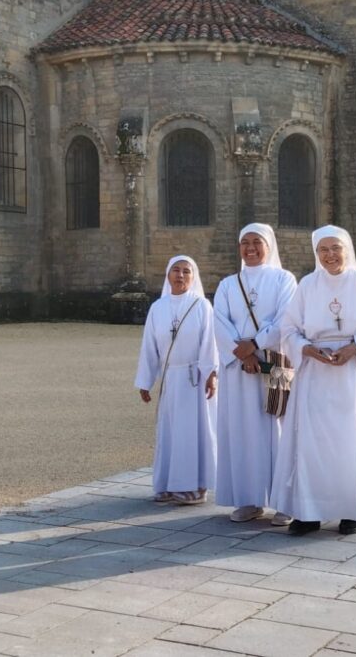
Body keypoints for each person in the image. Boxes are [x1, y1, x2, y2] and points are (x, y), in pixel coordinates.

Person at [269, 225, 356, 536]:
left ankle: (349, 510)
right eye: (323, 250)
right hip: (314, 375)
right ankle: (309, 512)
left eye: (335, 248)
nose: (330, 255)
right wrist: (307, 349)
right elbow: (288, 329)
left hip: (350, 376)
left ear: (346, 249)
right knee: (311, 444)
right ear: (316, 254)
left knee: (349, 441)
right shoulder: (307, 286)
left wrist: (355, 348)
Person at [214, 224, 298, 525]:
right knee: (241, 431)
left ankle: (284, 502)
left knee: (278, 428)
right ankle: (248, 499)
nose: (250, 248)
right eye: (244, 242)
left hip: (274, 362)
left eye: (257, 242)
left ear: (269, 245)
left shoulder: (283, 279)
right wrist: (244, 353)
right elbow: (219, 321)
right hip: (239, 368)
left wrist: (257, 345)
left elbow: (287, 318)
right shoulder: (227, 284)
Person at [135, 256, 218, 505]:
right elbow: (149, 346)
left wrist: (211, 374)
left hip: (195, 378)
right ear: (168, 275)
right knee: (170, 432)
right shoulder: (157, 308)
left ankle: (194, 486)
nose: (180, 276)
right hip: (171, 376)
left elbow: (210, 342)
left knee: (192, 433)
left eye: (186, 271)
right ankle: (167, 485)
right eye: (175, 270)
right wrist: (145, 380)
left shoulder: (201, 305)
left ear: (193, 277)